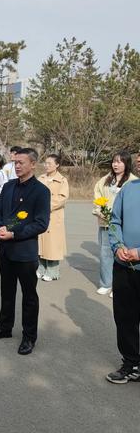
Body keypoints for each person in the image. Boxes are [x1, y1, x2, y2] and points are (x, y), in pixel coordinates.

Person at [0, 148, 50, 356]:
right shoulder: (8, 186)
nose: (18, 165)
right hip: (5, 250)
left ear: (33, 164)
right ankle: (5, 327)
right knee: (7, 291)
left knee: (29, 295)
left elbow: (41, 223)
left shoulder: (41, 191)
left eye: (22, 162)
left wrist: (15, 234)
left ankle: (29, 336)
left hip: (24, 251)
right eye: (15, 162)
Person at [106, 177, 140, 384]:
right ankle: (131, 362)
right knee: (125, 317)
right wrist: (117, 246)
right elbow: (114, 221)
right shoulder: (129, 189)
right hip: (124, 267)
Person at [93, 151, 136, 296]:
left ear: (127, 163)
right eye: (114, 161)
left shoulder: (133, 181)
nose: (115, 164)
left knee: (122, 254)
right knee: (105, 254)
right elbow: (97, 197)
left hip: (125, 225)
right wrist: (100, 211)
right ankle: (106, 283)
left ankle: (118, 286)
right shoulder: (105, 180)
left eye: (119, 161)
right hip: (106, 223)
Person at [37, 154, 69, 282]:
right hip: (40, 215)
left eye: (50, 163)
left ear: (57, 165)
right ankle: (41, 268)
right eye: (45, 163)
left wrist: (46, 206)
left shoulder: (62, 180)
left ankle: (53, 271)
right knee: (41, 242)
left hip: (54, 216)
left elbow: (62, 198)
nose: (46, 165)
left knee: (53, 245)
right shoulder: (41, 178)